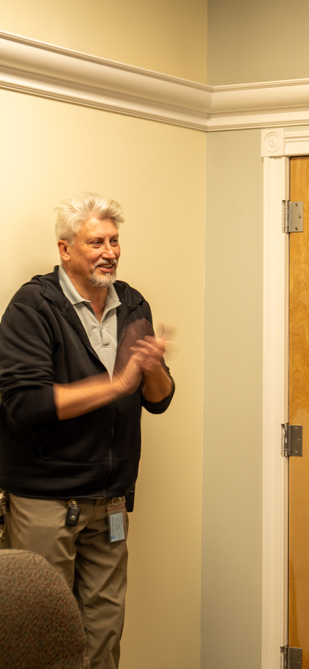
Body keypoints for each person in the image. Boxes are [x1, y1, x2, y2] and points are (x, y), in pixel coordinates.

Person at [0, 192, 175, 669]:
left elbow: (158, 400)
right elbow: (25, 402)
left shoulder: (133, 303)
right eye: (96, 242)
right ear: (64, 249)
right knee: (36, 635)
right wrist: (118, 382)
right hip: (46, 501)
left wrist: (152, 367)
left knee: (103, 631)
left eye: (115, 241)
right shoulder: (33, 305)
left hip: (111, 499)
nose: (109, 252)